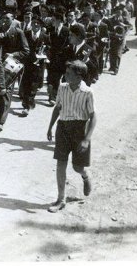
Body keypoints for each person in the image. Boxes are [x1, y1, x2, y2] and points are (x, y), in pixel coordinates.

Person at [46, 60, 96, 213]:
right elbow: (58, 107)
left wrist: (86, 139)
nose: (65, 75)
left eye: (68, 73)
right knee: (61, 163)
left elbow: (93, 116)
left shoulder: (87, 92)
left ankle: (86, 177)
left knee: (77, 167)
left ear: (79, 76)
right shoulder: (62, 88)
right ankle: (61, 199)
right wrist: (50, 127)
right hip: (63, 128)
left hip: (79, 130)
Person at [19, 16, 49, 116]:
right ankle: (26, 105)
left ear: (40, 25)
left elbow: (49, 48)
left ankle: (29, 102)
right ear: (31, 24)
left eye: (38, 23)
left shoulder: (45, 36)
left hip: (39, 64)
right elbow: (21, 47)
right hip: (27, 63)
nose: (36, 25)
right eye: (34, 23)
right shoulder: (26, 34)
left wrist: (44, 54)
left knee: (34, 84)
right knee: (26, 83)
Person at [47, 9, 70, 106]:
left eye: (53, 20)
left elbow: (70, 45)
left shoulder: (67, 30)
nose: (52, 22)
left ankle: (64, 97)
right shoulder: (50, 30)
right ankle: (53, 97)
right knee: (54, 78)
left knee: (65, 79)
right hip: (53, 58)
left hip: (64, 59)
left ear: (60, 20)